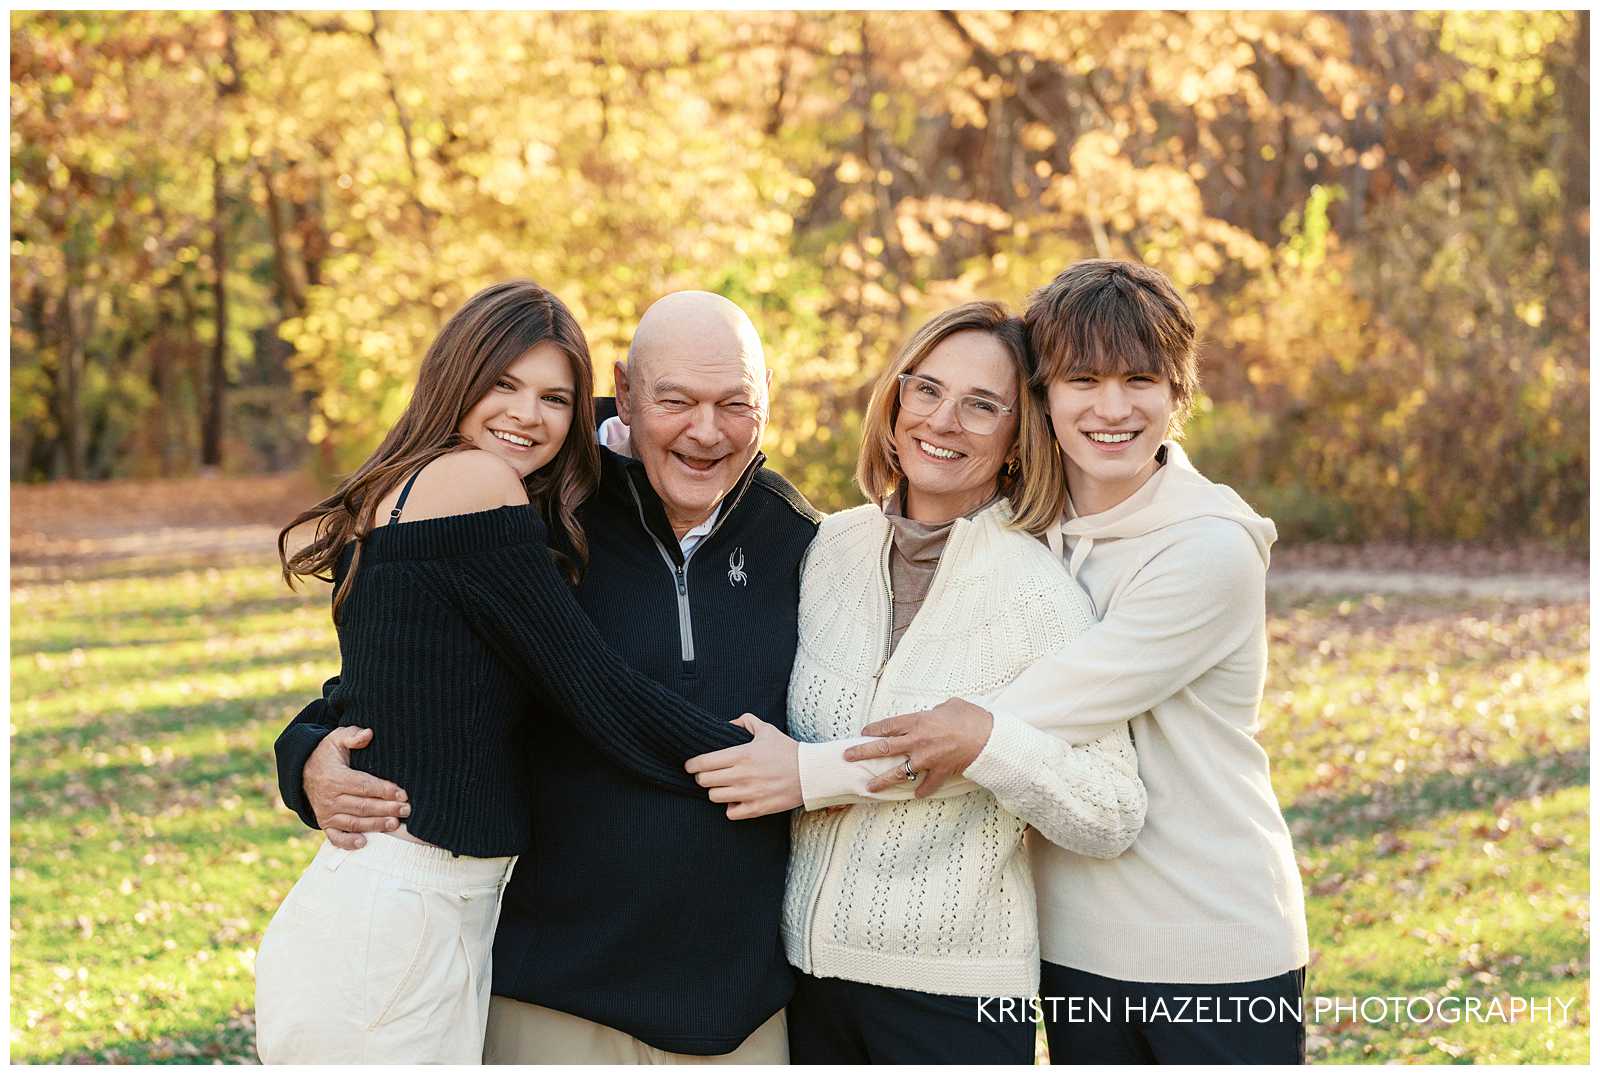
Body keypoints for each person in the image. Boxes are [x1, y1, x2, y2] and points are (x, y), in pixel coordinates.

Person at [272, 290, 819, 1063]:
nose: (705, 430)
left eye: (736, 403)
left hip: (727, 1000)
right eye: (676, 400)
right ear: (626, 393)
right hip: (534, 980)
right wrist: (306, 756)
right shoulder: (534, 503)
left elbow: (421, 672)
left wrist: (817, 770)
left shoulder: (802, 540)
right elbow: (417, 681)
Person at [836, 260, 1310, 1064]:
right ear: (1043, 395)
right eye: (1082, 378)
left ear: (1178, 391)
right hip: (1070, 949)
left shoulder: (1207, 548)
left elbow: (1016, 717)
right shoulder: (1029, 533)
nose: (1113, 407)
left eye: (1141, 378)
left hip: (1214, 948)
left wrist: (814, 774)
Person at [685, 302, 1148, 1064]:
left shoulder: (1041, 596)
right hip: (797, 980)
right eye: (926, 390)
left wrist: (987, 745)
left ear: (1015, 435)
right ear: (895, 403)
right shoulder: (828, 547)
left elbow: (1113, 811)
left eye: (981, 405)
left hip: (952, 998)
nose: (944, 420)